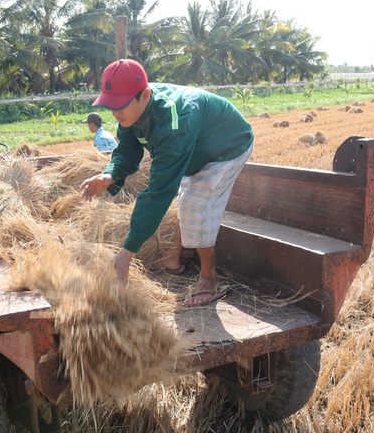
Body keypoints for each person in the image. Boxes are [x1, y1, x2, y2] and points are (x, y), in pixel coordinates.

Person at [80, 59, 254, 306]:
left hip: (228, 144)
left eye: (120, 105)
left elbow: (159, 192)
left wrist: (126, 253)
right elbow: (127, 151)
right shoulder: (130, 110)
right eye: (111, 106)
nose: (115, 113)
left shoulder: (173, 123)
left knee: (194, 203)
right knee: (186, 198)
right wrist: (109, 175)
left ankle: (209, 279)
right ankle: (174, 258)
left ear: (145, 95)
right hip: (197, 144)